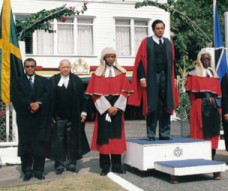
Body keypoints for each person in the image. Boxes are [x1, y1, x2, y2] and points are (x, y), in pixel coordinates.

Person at [128, 19, 179, 141]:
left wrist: (175, 78)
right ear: (153, 29)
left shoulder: (168, 43)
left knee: (166, 105)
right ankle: (151, 134)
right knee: (152, 106)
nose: (160, 30)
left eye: (162, 28)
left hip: (166, 78)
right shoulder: (146, 43)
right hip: (151, 77)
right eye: (158, 28)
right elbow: (140, 61)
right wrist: (142, 77)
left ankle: (165, 133)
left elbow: (173, 62)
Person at [86, 47, 133, 176]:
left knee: (116, 138)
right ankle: (105, 167)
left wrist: (116, 108)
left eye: (113, 56)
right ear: (104, 58)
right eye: (108, 57)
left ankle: (117, 166)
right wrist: (107, 108)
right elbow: (95, 95)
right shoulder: (97, 75)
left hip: (117, 110)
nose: (111, 59)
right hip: (103, 110)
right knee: (104, 138)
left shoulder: (121, 74)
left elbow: (125, 92)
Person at [12, 58, 51, 181]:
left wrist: (38, 104)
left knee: (40, 144)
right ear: (24, 67)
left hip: (40, 118)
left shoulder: (44, 81)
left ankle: (39, 170)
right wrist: (29, 104)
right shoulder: (17, 82)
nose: (29, 68)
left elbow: (48, 96)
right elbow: (17, 97)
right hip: (25, 118)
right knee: (26, 145)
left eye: (32, 66)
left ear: (35, 67)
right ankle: (27, 171)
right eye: (27, 66)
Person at [49, 59, 90, 175]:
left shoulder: (76, 80)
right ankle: (59, 165)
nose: (66, 69)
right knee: (59, 141)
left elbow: (83, 98)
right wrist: (50, 115)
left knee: (72, 140)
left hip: (73, 117)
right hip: (58, 117)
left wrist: (84, 112)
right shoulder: (53, 80)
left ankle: (71, 164)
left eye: (68, 67)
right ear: (59, 68)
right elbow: (49, 99)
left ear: (70, 68)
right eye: (63, 67)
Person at [186, 51, 222, 180]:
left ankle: (213, 166)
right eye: (204, 58)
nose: (206, 60)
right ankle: (197, 165)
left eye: (208, 58)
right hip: (199, 105)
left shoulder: (214, 75)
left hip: (213, 106)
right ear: (200, 59)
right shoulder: (193, 74)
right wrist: (197, 107)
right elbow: (191, 95)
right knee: (200, 134)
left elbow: (217, 94)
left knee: (213, 135)